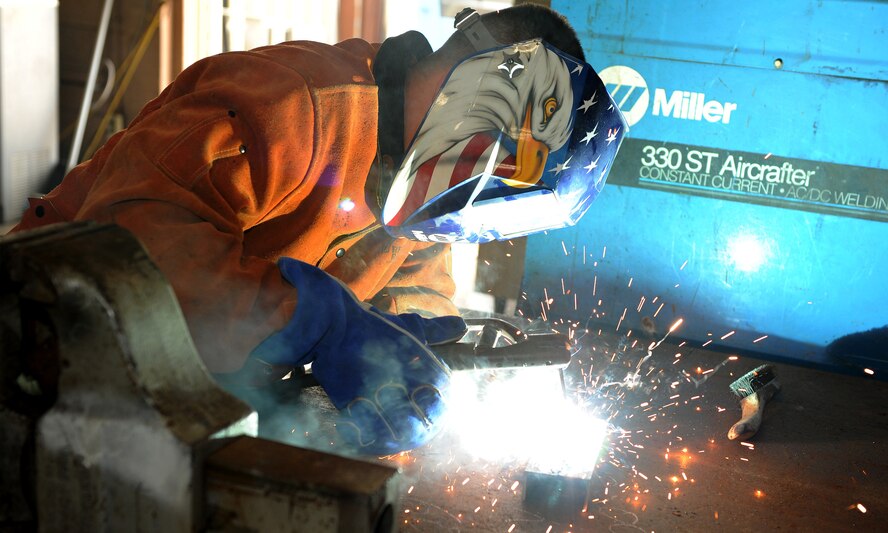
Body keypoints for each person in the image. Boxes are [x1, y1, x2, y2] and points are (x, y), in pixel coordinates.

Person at [9, 5, 626, 454]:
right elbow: (131, 251)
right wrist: (312, 323)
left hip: (175, 402)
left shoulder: (416, 207)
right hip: (38, 342)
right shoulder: (294, 104)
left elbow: (417, 297)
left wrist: (403, 356)